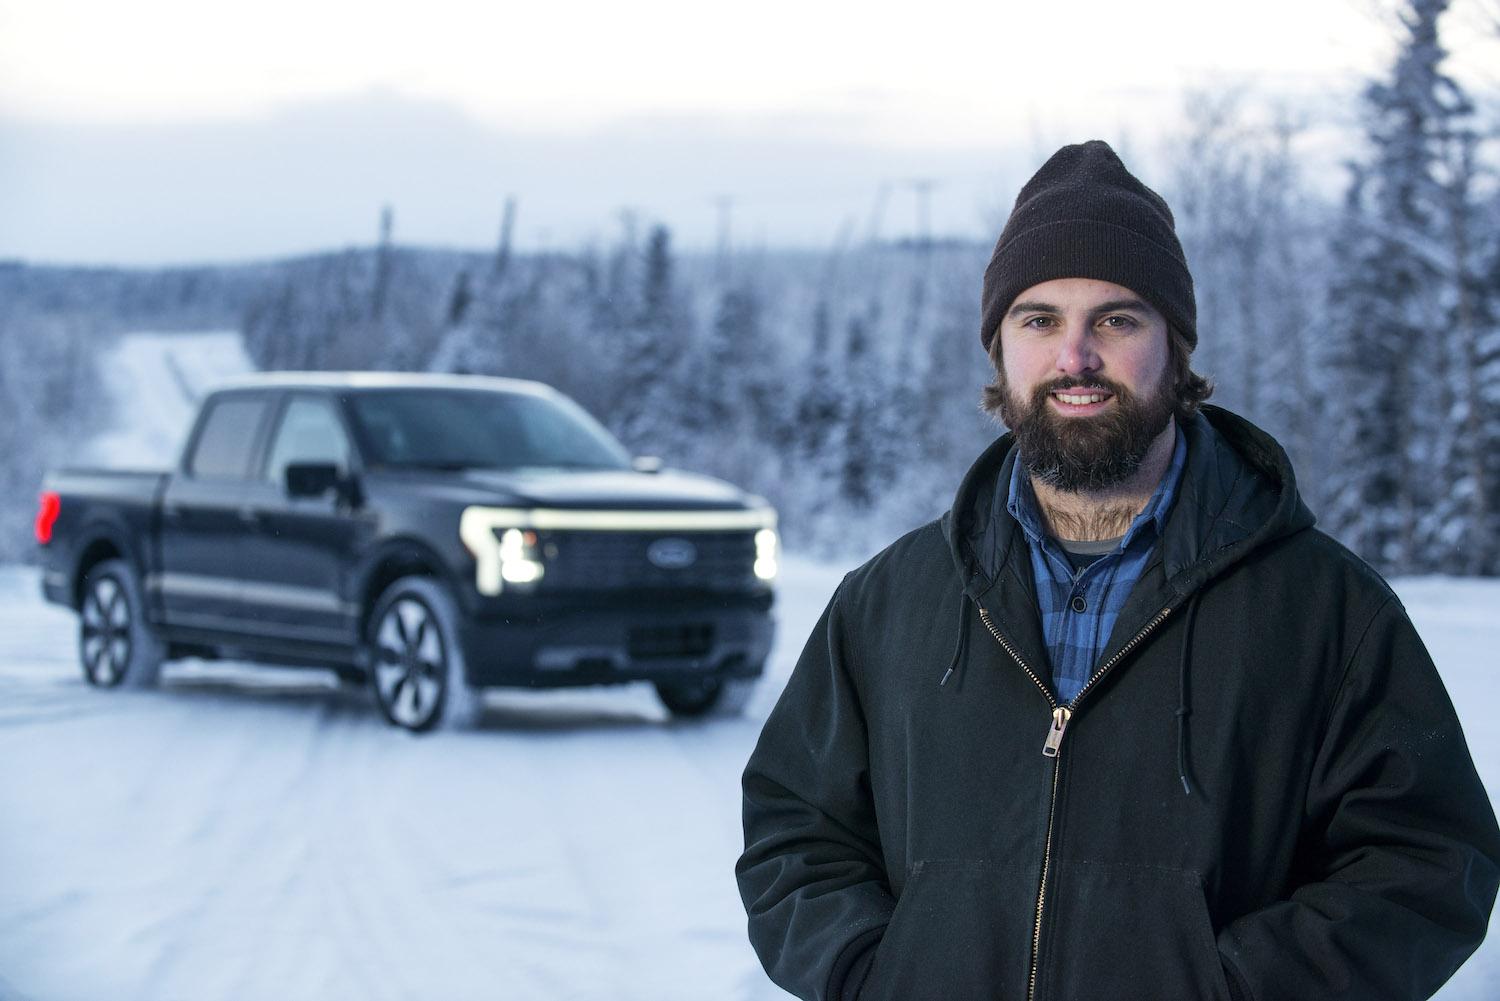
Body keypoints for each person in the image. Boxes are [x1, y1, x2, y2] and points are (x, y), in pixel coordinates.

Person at [736, 140, 1500, 1001]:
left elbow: (1427, 858)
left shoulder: (1326, 609)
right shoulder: (889, 602)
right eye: (1039, 319)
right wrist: (876, 972)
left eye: (1117, 318)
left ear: (1175, 347)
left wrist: (1236, 988)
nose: (1075, 356)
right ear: (1000, 350)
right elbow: (793, 829)